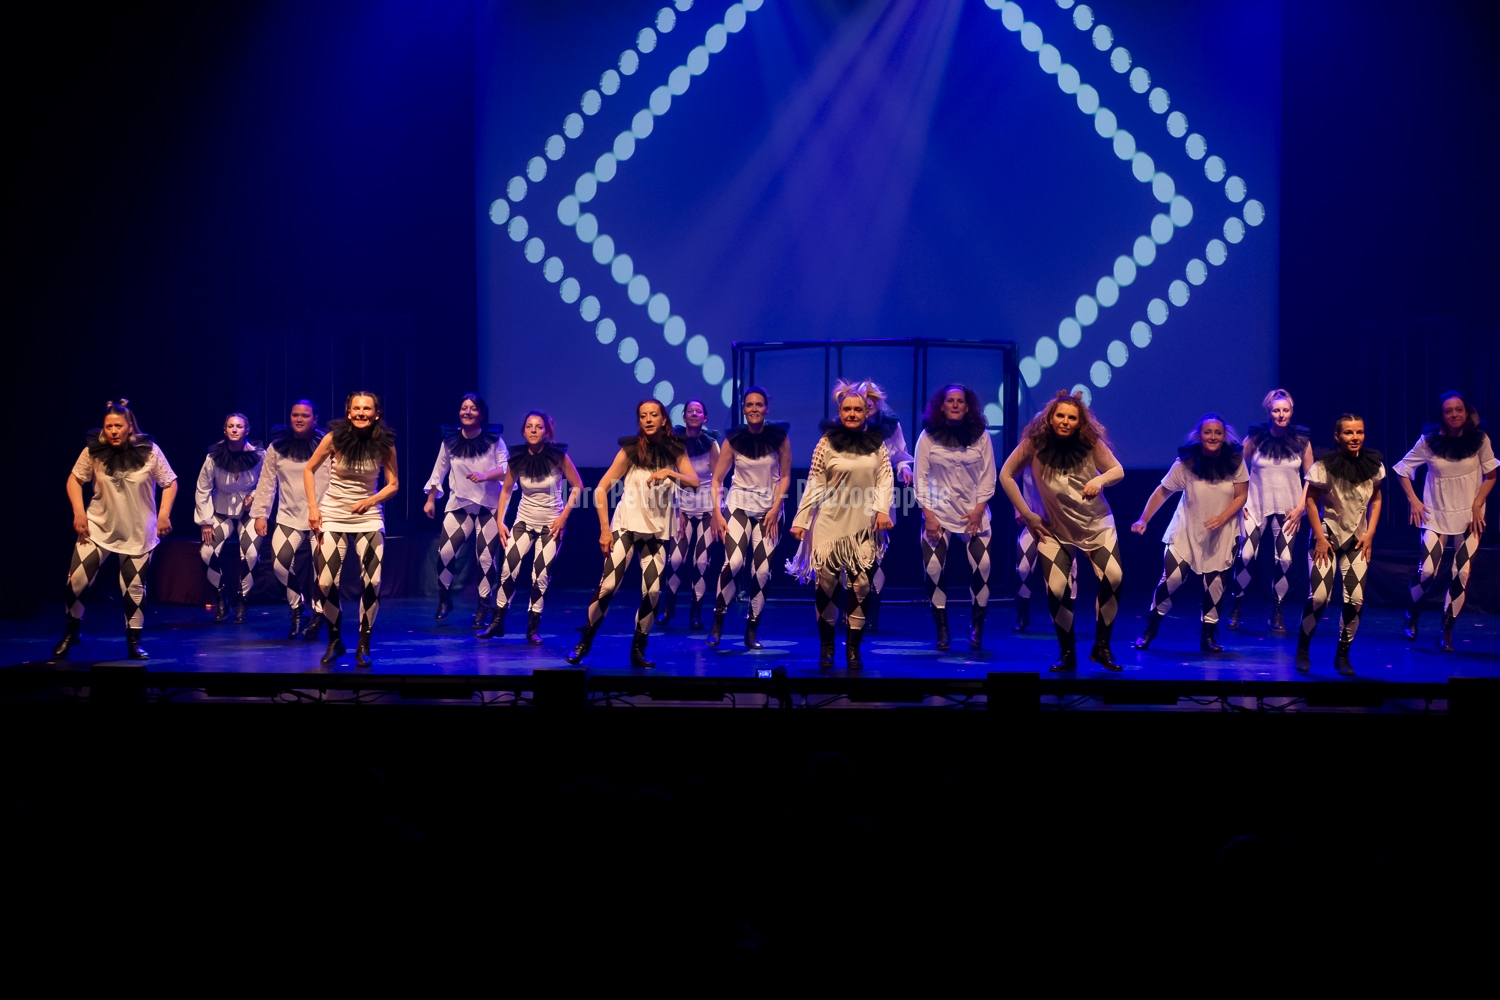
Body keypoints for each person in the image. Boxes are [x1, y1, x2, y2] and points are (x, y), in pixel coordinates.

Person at [998, 391, 1125, 671]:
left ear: (1080, 422)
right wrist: (1027, 514)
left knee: (1114, 577)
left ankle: (1102, 646)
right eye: (1060, 416)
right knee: (1056, 589)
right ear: (1050, 418)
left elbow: (1118, 471)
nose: (1065, 421)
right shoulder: (1034, 444)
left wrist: (1100, 480)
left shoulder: (1090, 444)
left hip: (1096, 526)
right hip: (1054, 529)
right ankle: (1067, 652)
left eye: (1072, 417)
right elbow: (1005, 474)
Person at [567, 400, 700, 667]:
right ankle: (585, 640)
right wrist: (605, 529)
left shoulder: (675, 450)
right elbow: (601, 489)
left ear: (664, 419)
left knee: (652, 592)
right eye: (643, 416)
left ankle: (638, 648)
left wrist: (669, 473)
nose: (648, 419)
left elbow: (694, 482)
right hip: (626, 526)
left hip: (656, 532)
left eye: (653, 415)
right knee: (608, 586)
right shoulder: (630, 450)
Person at [53, 400, 178, 661]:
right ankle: (72, 631)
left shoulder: (149, 451)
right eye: (108, 426)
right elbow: (74, 480)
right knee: (76, 582)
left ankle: (133, 642)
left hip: (138, 530)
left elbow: (170, 482)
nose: (112, 431)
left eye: (118, 426)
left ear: (129, 427)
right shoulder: (94, 451)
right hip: (98, 526)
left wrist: (163, 515)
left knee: (133, 588)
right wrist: (78, 512)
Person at [788, 381, 895, 670]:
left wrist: (882, 511)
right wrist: (801, 520)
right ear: (839, 411)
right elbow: (815, 482)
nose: (852, 414)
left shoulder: (877, 443)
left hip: (863, 523)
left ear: (866, 412)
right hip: (830, 521)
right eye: (847, 409)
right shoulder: (827, 442)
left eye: (857, 409)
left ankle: (853, 647)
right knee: (827, 584)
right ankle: (827, 645)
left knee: (862, 586)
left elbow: (885, 479)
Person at [1130, 415, 1250, 653]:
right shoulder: (1187, 463)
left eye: (1217, 432)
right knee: (1172, 579)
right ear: (1199, 435)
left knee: (1215, 586)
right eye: (1208, 432)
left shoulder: (1235, 462)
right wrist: (1144, 519)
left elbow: (1241, 496)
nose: (1213, 437)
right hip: (1186, 531)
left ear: (1224, 436)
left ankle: (1208, 634)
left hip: (1222, 534)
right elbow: (1162, 492)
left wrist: (1222, 517)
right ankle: (1151, 627)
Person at [1394, 392, 1496, 650]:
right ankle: (1412, 612)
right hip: (1436, 515)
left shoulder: (1479, 439)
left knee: (1461, 573)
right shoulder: (1429, 441)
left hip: (1469, 517)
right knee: (1428, 571)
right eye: (1449, 411)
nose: (1454, 414)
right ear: (1442, 415)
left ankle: (1446, 629)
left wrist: (1477, 503)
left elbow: (1492, 474)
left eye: (1458, 409)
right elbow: (1403, 470)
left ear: (1466, 412)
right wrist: (1414, 501)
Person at [305, 391, 399, 667]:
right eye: (356, 408)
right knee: (325, 582)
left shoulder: (384, 444)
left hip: (368, 516)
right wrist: (313, 507)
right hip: (333, 514)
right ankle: (335, 640)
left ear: (376, 414)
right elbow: (309, 470)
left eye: (366, 409)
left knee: (373, 582)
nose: (361, 413)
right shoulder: (334, 438)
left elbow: (394, 485)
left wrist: (370, 501)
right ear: (348, 413)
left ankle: (364, 643)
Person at [477, 410, 582, 642]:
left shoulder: (558, 456)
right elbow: (506, 491)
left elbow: (578, 486)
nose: (533, 430)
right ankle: (497, 622)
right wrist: (500, 521)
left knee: (540, 575)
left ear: (547, 432)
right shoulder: (517, 457)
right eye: (529, 426)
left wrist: (563, 517)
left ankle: (533, 629)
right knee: (508, 569)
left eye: (539, 426)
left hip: (551, 525)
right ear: (523, 431)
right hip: (524, 521)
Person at [1298, 414, 1383, 675]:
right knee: (1319, 597)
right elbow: (1310, 501)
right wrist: (1319, 538)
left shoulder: (1373, 465)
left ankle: (1343, 654)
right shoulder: (1325, 466)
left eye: (1359, 432)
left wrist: (1370, 533)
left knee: (1355, 600)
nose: (1355, 437)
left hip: (1357, 542)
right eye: (1348, 432)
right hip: (1327, 538)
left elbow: (1376, 499)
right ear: (1337, 436)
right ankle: (1303, 647)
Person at [914, 384, 997, 650]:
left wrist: (979, 510)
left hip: (974, 513)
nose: (955, 404)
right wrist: (929, 515)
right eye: (950, 400)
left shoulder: (981, 436)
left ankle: (977, 626)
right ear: (941, 405)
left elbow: (989, 475)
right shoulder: (928, 436)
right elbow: (920, 478)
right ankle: (942, 628)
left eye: (960, 401)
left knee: (983, 567)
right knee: (933, 569)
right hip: (938, 512)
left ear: (967, 406)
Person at [708, 387, 791, 650]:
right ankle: (718, 620)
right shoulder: (733, 439)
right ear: (743, 409)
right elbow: (717, 480)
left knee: (762, 571)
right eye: (749, 405)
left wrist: (776, 508)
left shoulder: (779, 438)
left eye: (759, 404)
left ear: (767, 408)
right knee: (733, 563)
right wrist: (717, 513)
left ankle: (752, 628)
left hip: (769, 511)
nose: (754, 408)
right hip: (739, 507)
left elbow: (786, 476)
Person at [1229, 389, 1313, 632]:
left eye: (1285, 410)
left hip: (1289, 508)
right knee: (1246, 556)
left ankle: (1277, 609)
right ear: (1269, 412)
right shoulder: (1256, 438)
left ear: (1292, 412)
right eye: (1276, 410)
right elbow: (1237, 467)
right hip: (1255, 505)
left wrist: (1301, 506)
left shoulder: (1302, 441)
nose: (1281, 414)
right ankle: (1237, 604)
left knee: (1285, 559)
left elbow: (1311, 477)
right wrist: (1239, 500)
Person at [423, 393, 509, 627]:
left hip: (489, 506)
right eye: (464, 408)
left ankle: (483, 604)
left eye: (473, 408)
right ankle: (444, 597)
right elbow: (439, 470)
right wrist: (430, 499)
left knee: (486, 558)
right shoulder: (450, 440)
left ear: (481, 414)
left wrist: (485, 475)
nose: (467, 412)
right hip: (460, 504)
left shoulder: (494, 440)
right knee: (445, 553)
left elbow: (506, 469)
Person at [251, 400, 330, 639]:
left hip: (323, 516)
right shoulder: (277, 447)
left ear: (315, 419)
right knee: (279, 565)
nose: (299, 419)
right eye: (295, 415)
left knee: (322, 570)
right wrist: (261, 514)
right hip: (289, 515)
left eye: (305, 415)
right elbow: (266, 482)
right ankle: (297, 608)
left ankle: (319, 614)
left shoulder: (327, 445)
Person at [195, 413, 264, 625]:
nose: (235, 429)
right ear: (224, 430)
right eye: (231, 426)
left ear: (247, 430)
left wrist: (253, 496)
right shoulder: (213, 457)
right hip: (221, 512)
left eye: (239, 426)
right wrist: (206, 522)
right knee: (207, 552)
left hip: (248, 513)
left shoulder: (259, 455)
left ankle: (243, 599)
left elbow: (267, 482)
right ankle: (220, 596)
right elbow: (203, 489)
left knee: (251, 554)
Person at [658, 398, 720, 630]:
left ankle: (696, 613)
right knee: (675, 559)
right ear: (683, 417)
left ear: (705, 418)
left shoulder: (711, 444)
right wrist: (678, 510)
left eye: (698, 411)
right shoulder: (676, 443)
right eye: (690, 411)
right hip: (681, 507)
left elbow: (718, 480)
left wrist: (717, 512)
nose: (694, 414)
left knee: (701, 562)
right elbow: (671, 477)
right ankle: (668, 608)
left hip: (706, 509)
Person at [861, 382, 914, 631]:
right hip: (850, 496)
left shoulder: (891, 426)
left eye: (873, 397)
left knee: (876, 555)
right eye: (864, 397)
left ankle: (873, 614)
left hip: (879, 495)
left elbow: (900, 454)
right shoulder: (849, 424)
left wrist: (905, 469)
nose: (869, 402)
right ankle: (850, 610)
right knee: (848, 555)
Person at [1012, 467, 1076, 632]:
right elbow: (1010, 475)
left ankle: (1063, 613)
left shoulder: (1067, 456)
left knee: (1068, 571)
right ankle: (1022, 612)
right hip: (1033, 521)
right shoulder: (1026, 455)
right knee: (1023, 568)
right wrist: (1018, 507)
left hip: (1061, 524)